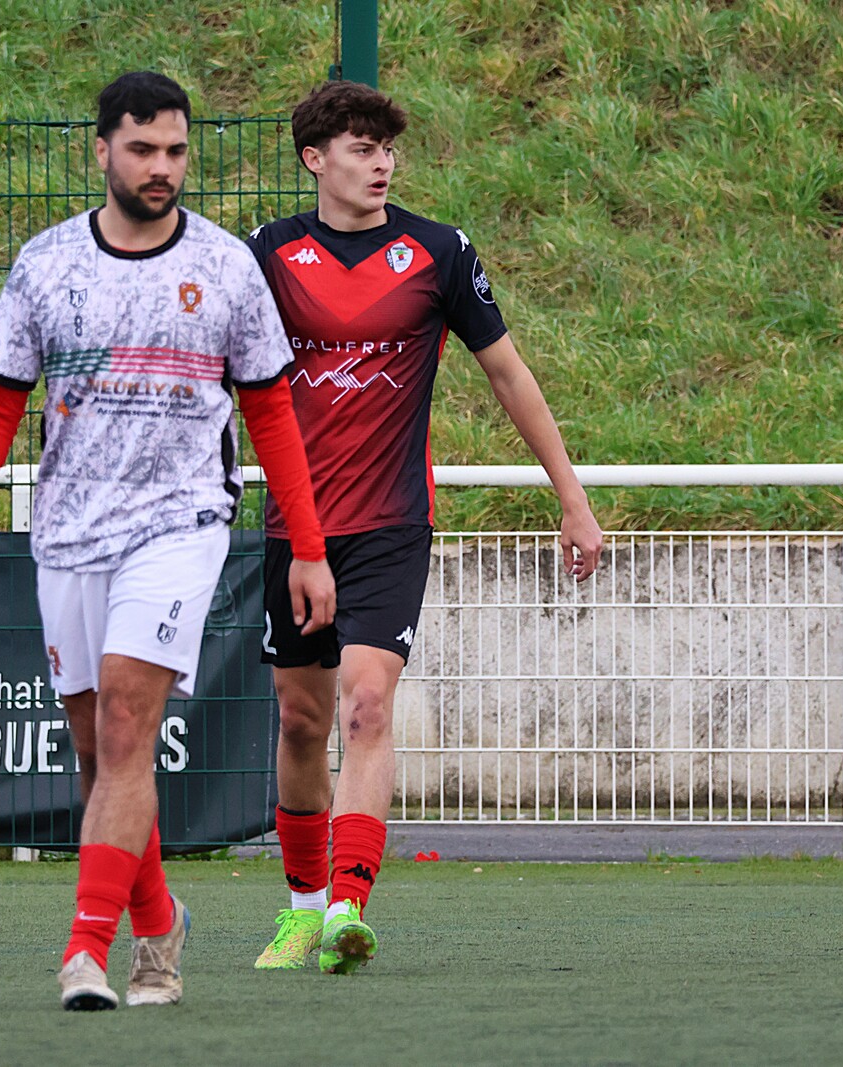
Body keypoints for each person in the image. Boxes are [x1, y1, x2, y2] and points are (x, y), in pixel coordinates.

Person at [0, 70, 336, 1011]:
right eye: (143, 149)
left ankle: (85, 950)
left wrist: (307, 547)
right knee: (100, 752)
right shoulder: (46, 264)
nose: (162, 167)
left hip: (179, 526)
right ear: (102, 149)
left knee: (122, 728)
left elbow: (272, 416)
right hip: (68, 532)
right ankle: (159, 920)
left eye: (176, 151)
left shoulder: (227, 266)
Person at [245, 80, 605, 975]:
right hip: (297, 530)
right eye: (362, 148)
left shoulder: (439, 252)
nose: (382, 164)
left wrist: (572, 496)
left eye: (388, 149)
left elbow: (509, 375)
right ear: (314, 159)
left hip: (392, 524)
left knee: (368, 703)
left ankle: (347, 908)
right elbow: (220, 375)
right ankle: (300, 910)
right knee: (301, 719)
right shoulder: (268, 254)